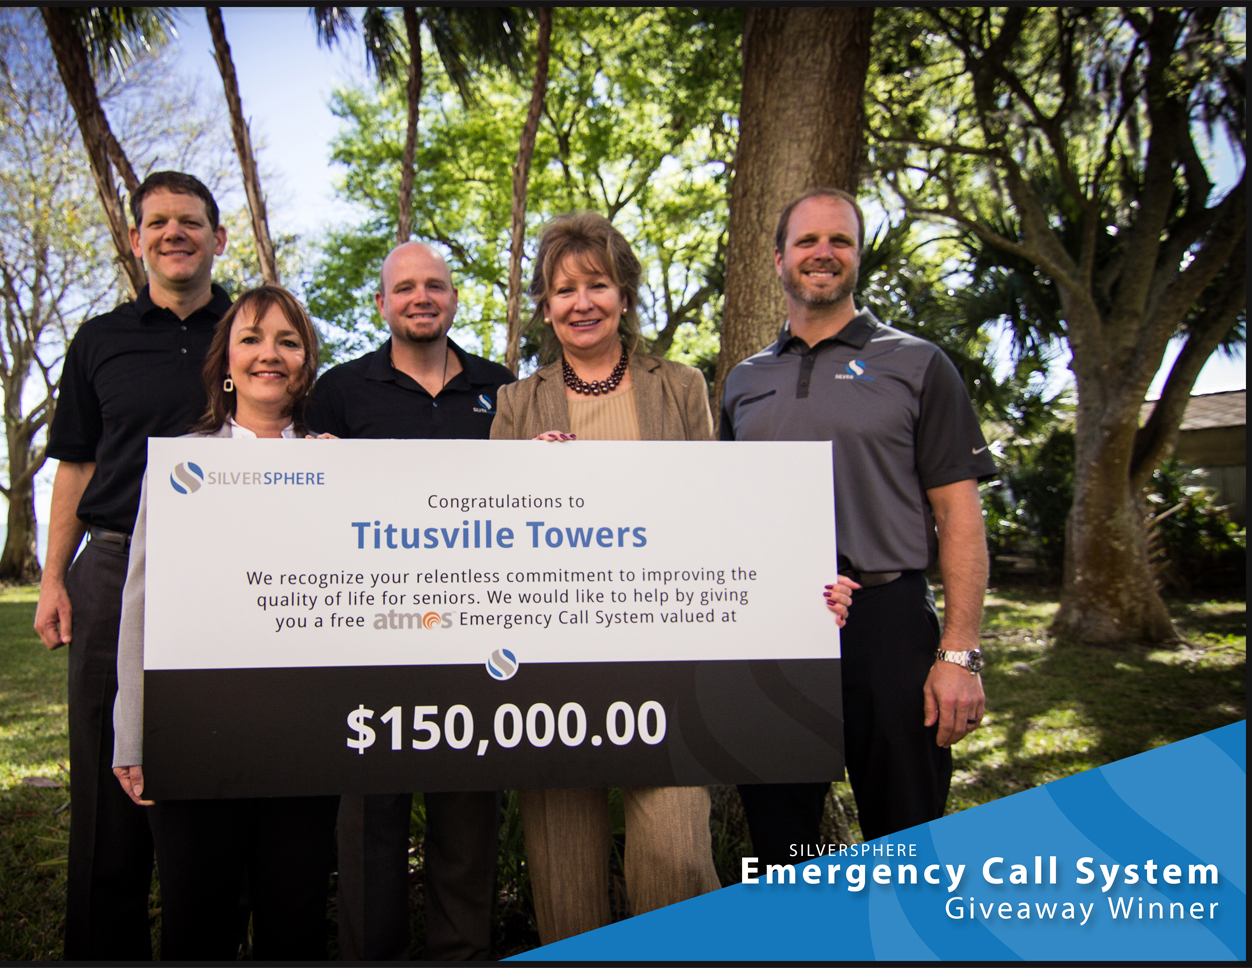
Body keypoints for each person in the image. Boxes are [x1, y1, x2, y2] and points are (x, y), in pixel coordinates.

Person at [489, 210, 855, 944]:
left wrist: (797, 586)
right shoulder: (516, 403)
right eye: (563, 290)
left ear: (624, 294)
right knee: (564, 876)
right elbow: (487, 536)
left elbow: (721, 514)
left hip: (669, 662)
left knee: (676, 857)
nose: (582, 302)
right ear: (546, 306)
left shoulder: (681, 386)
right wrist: (523, 476)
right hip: (551, 664)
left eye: (597, 284)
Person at [720, 187, 995, 862]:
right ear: (778, 258)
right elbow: (728, 515)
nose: (823, 253)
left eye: (839, 240)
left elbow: (959, 514)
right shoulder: (743, 381)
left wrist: (959, 655)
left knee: (907, 842)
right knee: (781, 849)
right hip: (776, 629)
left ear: (858, 256)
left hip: (888, 625)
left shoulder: (918, 363)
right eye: (807, 241)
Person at [33, 171, 229, 959]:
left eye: (190, 221)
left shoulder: (247, 329)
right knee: (103, 786)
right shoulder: (99, 339)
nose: (173, 233)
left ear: (218, 238)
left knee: (209, 763)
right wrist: (54, 578)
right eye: (158, 222)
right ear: (136, 238)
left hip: (223, 573)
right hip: (113, 570)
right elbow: (76, 464)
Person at [111, 285, 340, 960]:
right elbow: (141, 603)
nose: (270, 354)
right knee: (196, 923)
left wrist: (344, 480)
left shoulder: (339, 464)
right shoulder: (181, 463)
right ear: (227, 362)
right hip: (194, 732)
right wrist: (133, 732)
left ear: (306, 363)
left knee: (295, 925)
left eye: (288, 341)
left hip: (304, 737)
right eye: (251, 339)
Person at [304, 240, 517, 960]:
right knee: (371, 825)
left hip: (476, 636)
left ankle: (463, 955)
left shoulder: (500, 388)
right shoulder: (339, 390)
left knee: (468, 825)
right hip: (371, 638)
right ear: (382, 303)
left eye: (434, 285)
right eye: (404, 288)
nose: (420, 297)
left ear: (454, 298)